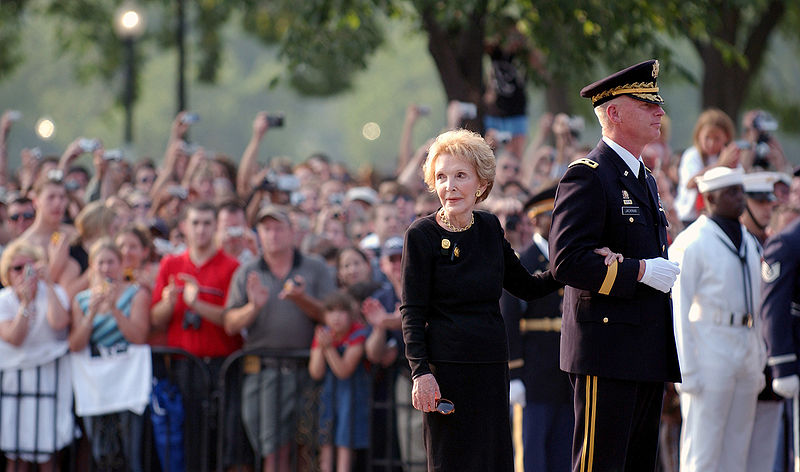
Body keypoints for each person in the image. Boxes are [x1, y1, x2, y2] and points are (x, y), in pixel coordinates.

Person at [401, 129, 618, 471]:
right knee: (450, 462)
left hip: (490, 366)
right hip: (446, 369)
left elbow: (527, 286)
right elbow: (412, 311)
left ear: (481, 182)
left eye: (460, 175)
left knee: (494, 459)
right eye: (441, 177)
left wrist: (582, 261)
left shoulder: (489, 227)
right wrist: (421, 373)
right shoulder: (421, 235)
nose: (450, 186)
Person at [549, 60, 682, 471]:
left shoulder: (644, 177)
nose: (659, 111)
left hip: (643, 345)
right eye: (647, 104)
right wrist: (638, 271)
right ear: (614, 113)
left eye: (657, 103)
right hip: (605, 350)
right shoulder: (589, 176)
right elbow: (566, 259)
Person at [223, 204, 336, 472]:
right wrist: (254, 307)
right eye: (266, 228)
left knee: (305, 451)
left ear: (292, 232)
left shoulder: (315, 267)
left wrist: (302, 300)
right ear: (258, 234)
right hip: (262, 373)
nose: (272, 234)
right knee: (271, 450)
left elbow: (333, 317)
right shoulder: (247, 271)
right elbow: (229, 323)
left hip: (308, 371)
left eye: (278, 228)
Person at [669, 167, 765, 472]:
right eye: (731, 192)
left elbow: (759, 302)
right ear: (709, 198)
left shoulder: (748, 240)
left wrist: (761, 356)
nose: (740, 198)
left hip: (745, 347)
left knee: (738, 449)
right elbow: (678, 307)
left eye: (741, 191)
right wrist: (686, 369)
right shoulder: (692, 242)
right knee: (703, 450)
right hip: (709, 347)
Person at [150, 201, 251, 471]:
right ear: (184, 226)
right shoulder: (171, 264)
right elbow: (155, 319)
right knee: (187, 441)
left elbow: (232, 320)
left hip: (222, 367)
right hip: (183, 368)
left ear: (216, 226)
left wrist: (198, 305)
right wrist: (168, 302)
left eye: (207, 223)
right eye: (195, 223)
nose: (201, 230)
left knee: (224, 443)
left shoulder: (232, 267)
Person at [500, 185, 572, 472]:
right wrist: (514, 373)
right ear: (535, 220)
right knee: (531, 451)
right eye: (550, 216)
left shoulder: (571, 259)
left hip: (566, 370)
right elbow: (509, 319)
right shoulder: (525, 262)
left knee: (564, 447)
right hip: (533, 370)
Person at [68, 238, 152, 471]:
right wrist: (91, 314)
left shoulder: (136, 295)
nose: (106, 268)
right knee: (101, 452)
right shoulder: (82, 300)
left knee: (129, 451)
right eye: (101, 263)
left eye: (111, 262)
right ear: (93, 266)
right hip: (97, 388)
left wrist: (114, 308)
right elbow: (75, 344)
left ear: (121, 264)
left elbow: (138, 336)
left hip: (128, 386)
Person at [0, 240, 72, 470]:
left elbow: (59, 323)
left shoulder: (54, 292)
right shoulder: (3, 300)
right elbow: (15, 337)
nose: (24, 273)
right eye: (17, 268)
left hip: (50, 381)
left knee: (47, 453)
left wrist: (48, 284)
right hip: (15, 385)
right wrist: (26, 304)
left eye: (29, 266)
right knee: (16, 455)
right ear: (7, 273)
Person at [308, 291, 371, 472]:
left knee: (346, 441)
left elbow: (344, 370)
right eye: (331, 311)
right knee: (325, 439)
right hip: (327, 395)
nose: (336, 317)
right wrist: (321, 347)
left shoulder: (358, 331)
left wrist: (328, 348)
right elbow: (316, 372)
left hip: (352, 395)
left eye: (341, 311)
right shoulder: (323, 333)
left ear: (350, 314)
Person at [673, 109, 740, 225]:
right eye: (707, 138)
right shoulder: (692, 155)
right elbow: (690, 183)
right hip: (688, 218)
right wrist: (720, 165)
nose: (711, 143)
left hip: (716, 218)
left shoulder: (728, 156)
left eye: (717, 138)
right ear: (699, 135)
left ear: (727, 137)